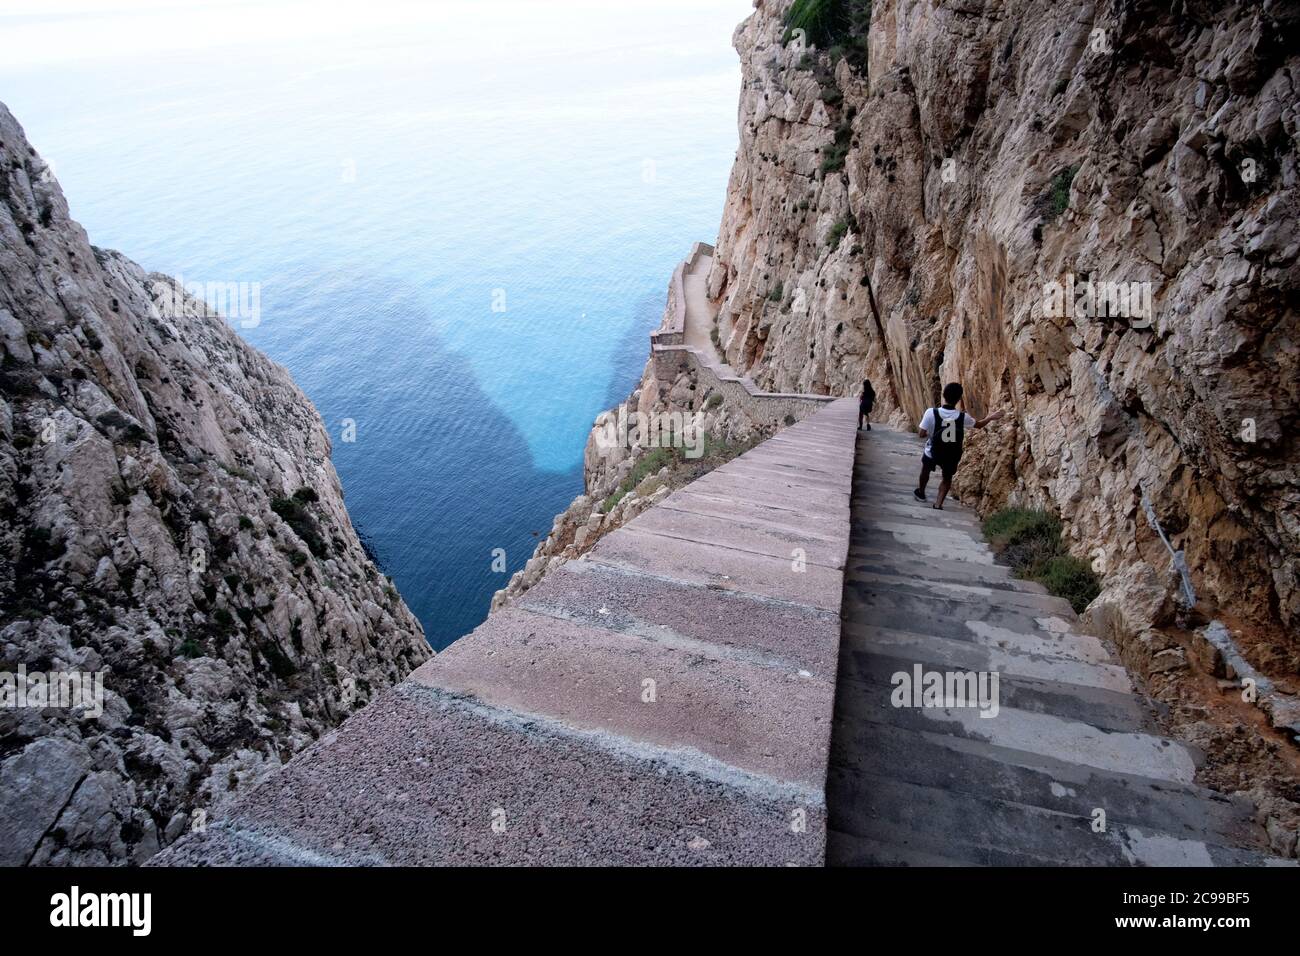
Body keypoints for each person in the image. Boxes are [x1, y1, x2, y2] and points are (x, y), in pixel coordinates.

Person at [914, 383, 1004, 510]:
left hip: (933, 451)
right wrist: (991, 417)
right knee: (946, 478)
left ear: (944, 395)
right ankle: (938, 503)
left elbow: (921, 434)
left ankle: (921, 493)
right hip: (951, 453)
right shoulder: (963, 417)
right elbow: (978, 425)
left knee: (925, 470)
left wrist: (933, 433)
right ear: (958, 399)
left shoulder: (931, 413)